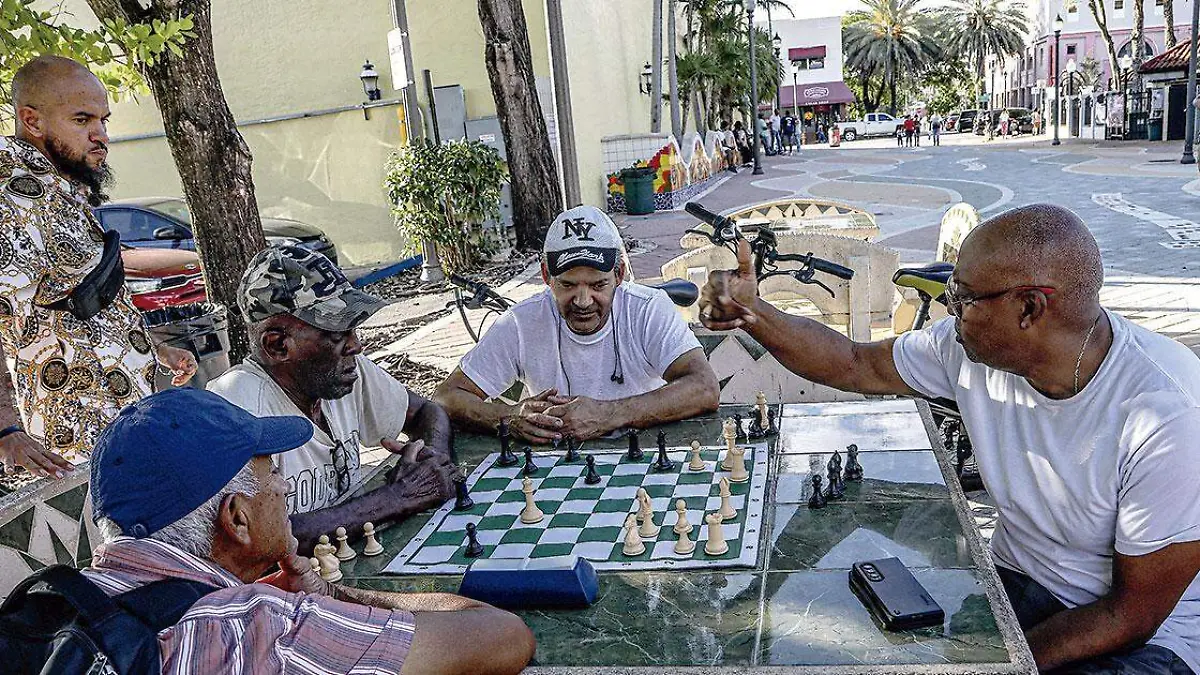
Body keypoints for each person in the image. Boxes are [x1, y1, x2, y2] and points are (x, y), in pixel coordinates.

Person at [698, 203, 1200, 674]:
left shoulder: (1167, 413)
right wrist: (754, 314)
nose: (948, 307)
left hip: (1148, 636)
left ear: (1029, 308)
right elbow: (853, 362)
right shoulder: (963, 348)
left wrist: (1003, 665)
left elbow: (1134, 612)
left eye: (962, 297)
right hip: (1018, 585)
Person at [82, 388, 534, 674]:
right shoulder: (260, 627)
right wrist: (332, 597)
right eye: (272, 472)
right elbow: (503, 635)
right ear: (237, 519)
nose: (282, 486)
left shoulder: (53, 602)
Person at [0, 55, 196, 480]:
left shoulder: (57, 186)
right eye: (82, 119)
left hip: (121, 422)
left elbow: (82, 289)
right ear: (31, 122)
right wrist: (5, 428)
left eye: (104, 120)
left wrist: (153, 347)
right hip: (69, 448)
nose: (100, 135)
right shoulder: (10, 197)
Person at [208, 246, 459, 551]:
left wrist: (431, 462)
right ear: (277, 346)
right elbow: (253, 537)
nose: (356, 346)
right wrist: (399, 496)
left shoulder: (341, 373)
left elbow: (426, 412)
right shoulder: (235, 407)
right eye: (337, 334)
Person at [435, 205, 719, 444]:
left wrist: (608, 415)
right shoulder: (522, 322)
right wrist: (508, 418)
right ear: (547, 275)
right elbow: (447, 397)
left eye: (598, 284)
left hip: (645, 456)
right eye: (568, 285)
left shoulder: (647, 309)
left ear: (619, 274)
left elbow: (704, 387)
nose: (583, 301)